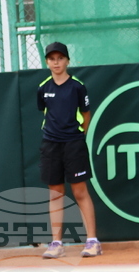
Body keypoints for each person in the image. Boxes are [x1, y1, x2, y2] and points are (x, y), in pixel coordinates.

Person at [38, 42, 101, 259]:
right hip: (50, 145)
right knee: (55, 194)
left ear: (67, 61)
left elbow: (86, 115)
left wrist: (78, 135)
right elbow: (45, 113)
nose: (56, 62)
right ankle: (56, 243)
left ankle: (92, 241)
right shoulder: (43, 88)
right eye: (52, 59)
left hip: (73, 144)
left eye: (60, 58)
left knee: (80, 191)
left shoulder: (77, 86)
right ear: (47, 62)